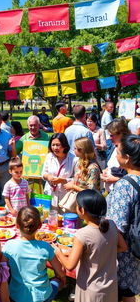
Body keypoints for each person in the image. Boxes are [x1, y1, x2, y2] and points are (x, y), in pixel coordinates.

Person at [54, 189, 127, 302]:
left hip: (90, 290)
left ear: (82, 210)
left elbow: (69, 265)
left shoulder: (83, 234)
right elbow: (123, 247)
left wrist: (57, 251)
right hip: (110, 286)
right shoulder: (111, 225)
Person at [3, 206, 66, 302]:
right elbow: (60, 271)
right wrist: (62, 278)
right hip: (42, 296)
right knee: (57, 281)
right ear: (40, 226)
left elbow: (2, 269)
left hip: (16, 295)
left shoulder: (8, 246)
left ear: (17, 225)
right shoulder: (45, 247)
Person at [107, 135, 140, 302]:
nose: (116, 153)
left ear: (127, 158)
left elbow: (116, 225)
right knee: (131, 291)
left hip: (125, 251)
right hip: (138, 245)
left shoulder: (124, 185)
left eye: (118, 151)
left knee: (123, 292)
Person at [42, 133, 75, 210]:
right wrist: (48, 176)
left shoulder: (73, 159)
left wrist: (63, 180)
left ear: (64, 145)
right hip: (50, 194)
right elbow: (43, 173)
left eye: (58, 145)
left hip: (66, 197)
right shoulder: (49, 156)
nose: (55, 148)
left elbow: (77, 179)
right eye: (53, 145)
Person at [101, 118, 130, 192]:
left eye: (112, 135)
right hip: (111, 192)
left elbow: (135, 175)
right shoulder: (115, 146)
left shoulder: (130, 150)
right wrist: (106, 170)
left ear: (121, 133)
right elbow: (112, 165)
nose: (110, 138)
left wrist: (115, 179)